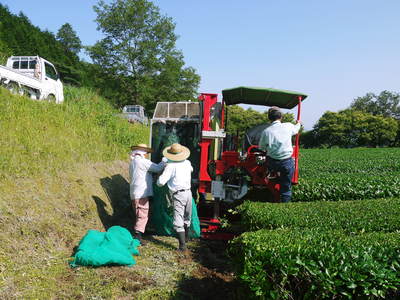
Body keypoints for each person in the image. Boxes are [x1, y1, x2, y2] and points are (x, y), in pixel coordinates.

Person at [259, 107, 301, 203]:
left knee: (267, 167)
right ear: (281, 117)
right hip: (286, 162)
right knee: (286, 188)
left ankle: (270, 177)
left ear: (269, 118)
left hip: (272, 163)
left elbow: (261, 147)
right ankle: (284, 206)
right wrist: (298, 122)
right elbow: (297, 129)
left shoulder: (266, 131)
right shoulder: (289, 126)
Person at [157, 143, 193, 251]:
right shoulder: (187, 162)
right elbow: (191, 169)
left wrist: (161, 173)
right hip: (188, 193)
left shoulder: (171, 166)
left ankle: (182, 246)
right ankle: (186, 238)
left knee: (178, 219)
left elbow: (160, 182)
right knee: (187, 216)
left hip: (178, 194)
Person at [129, 143, 165, 242]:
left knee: (138, 214)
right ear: (143, 152)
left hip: (134, 192)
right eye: (146, 153)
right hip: (141, 193)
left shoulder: (133, 162)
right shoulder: (143, 162)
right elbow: (158, 168)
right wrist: (164, 161)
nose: (146, 154)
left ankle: (140, 233)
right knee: (142, 214)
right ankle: (138, 237)